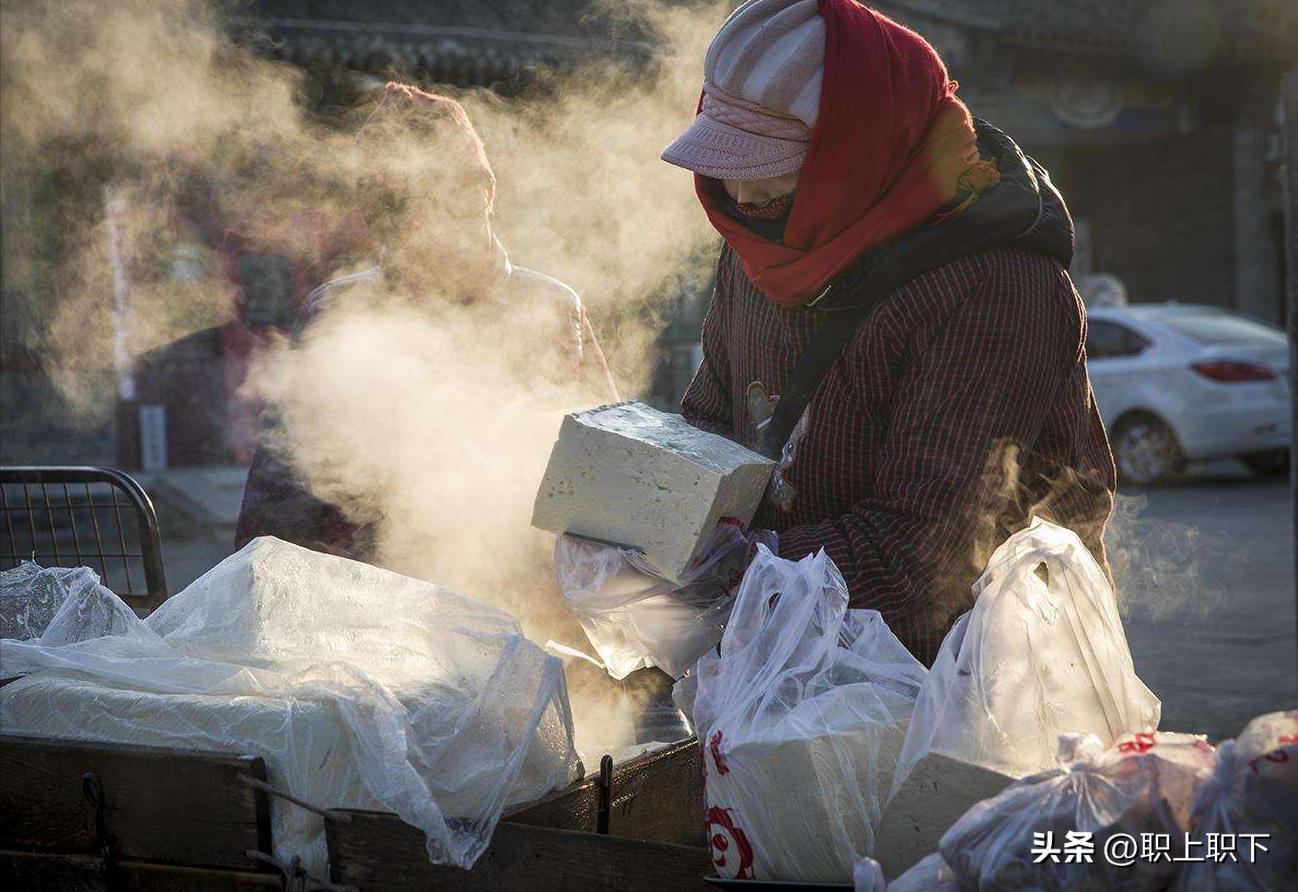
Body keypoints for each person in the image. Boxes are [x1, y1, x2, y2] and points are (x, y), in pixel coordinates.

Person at [649, 0, 1115, 666]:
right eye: (727, 159)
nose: (739, 195)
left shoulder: (995, 287)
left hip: (968, 690)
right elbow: (712, 428)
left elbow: (924, 560)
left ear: (857, 147)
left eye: (768, 163)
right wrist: (643, 523)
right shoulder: (766, 243)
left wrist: (729, 573)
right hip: (787, 666)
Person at [235, 82, 615, 559]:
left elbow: (610, 477)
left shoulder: (552, 308)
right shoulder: (336, 314)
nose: (439, 220)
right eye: (404, 205)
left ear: (487, 193)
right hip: (367, 596)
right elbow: (280, 494)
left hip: (522, 588)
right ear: (380, 217)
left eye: (461, 190)